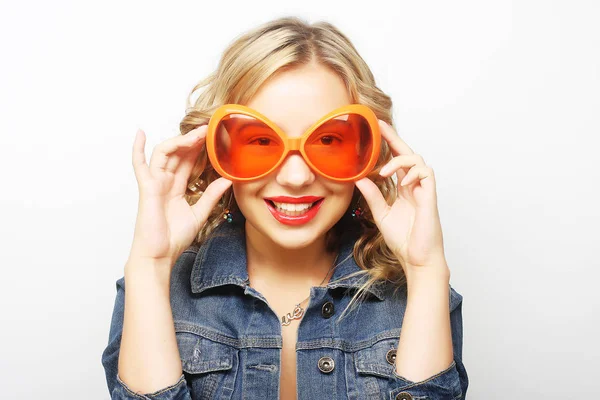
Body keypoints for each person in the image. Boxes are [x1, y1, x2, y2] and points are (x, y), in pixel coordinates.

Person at [101, 16, 469, 400]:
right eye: (261, 141)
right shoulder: (154, 288)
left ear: (367, 149)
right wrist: (150, 263)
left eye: (327, 139)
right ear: (217, 149)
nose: (295, 177)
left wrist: (426, 271)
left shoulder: (417, 294)